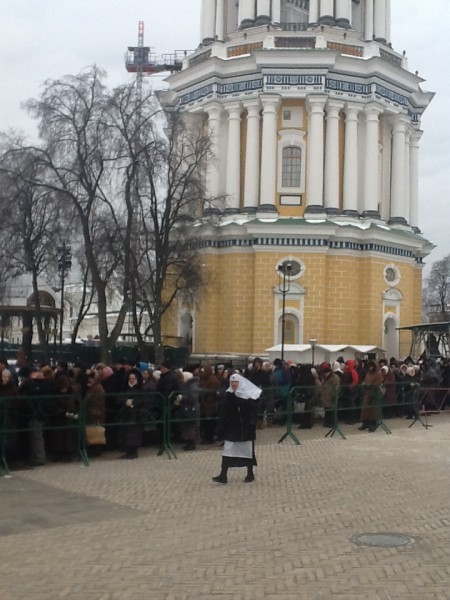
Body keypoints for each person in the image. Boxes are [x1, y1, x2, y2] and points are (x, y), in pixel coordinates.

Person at [212, 373, 261, 485]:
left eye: (236, 382)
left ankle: (250, 473)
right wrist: (220, 427)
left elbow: (253, 411)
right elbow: (223, 412)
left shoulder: (247, 396)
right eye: (232, 382)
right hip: (231, 428)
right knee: (227, 451)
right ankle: (223, 475)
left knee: (247, 452)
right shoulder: (228, 395)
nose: (234, 384)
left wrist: (251, 422)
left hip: (245, 429)